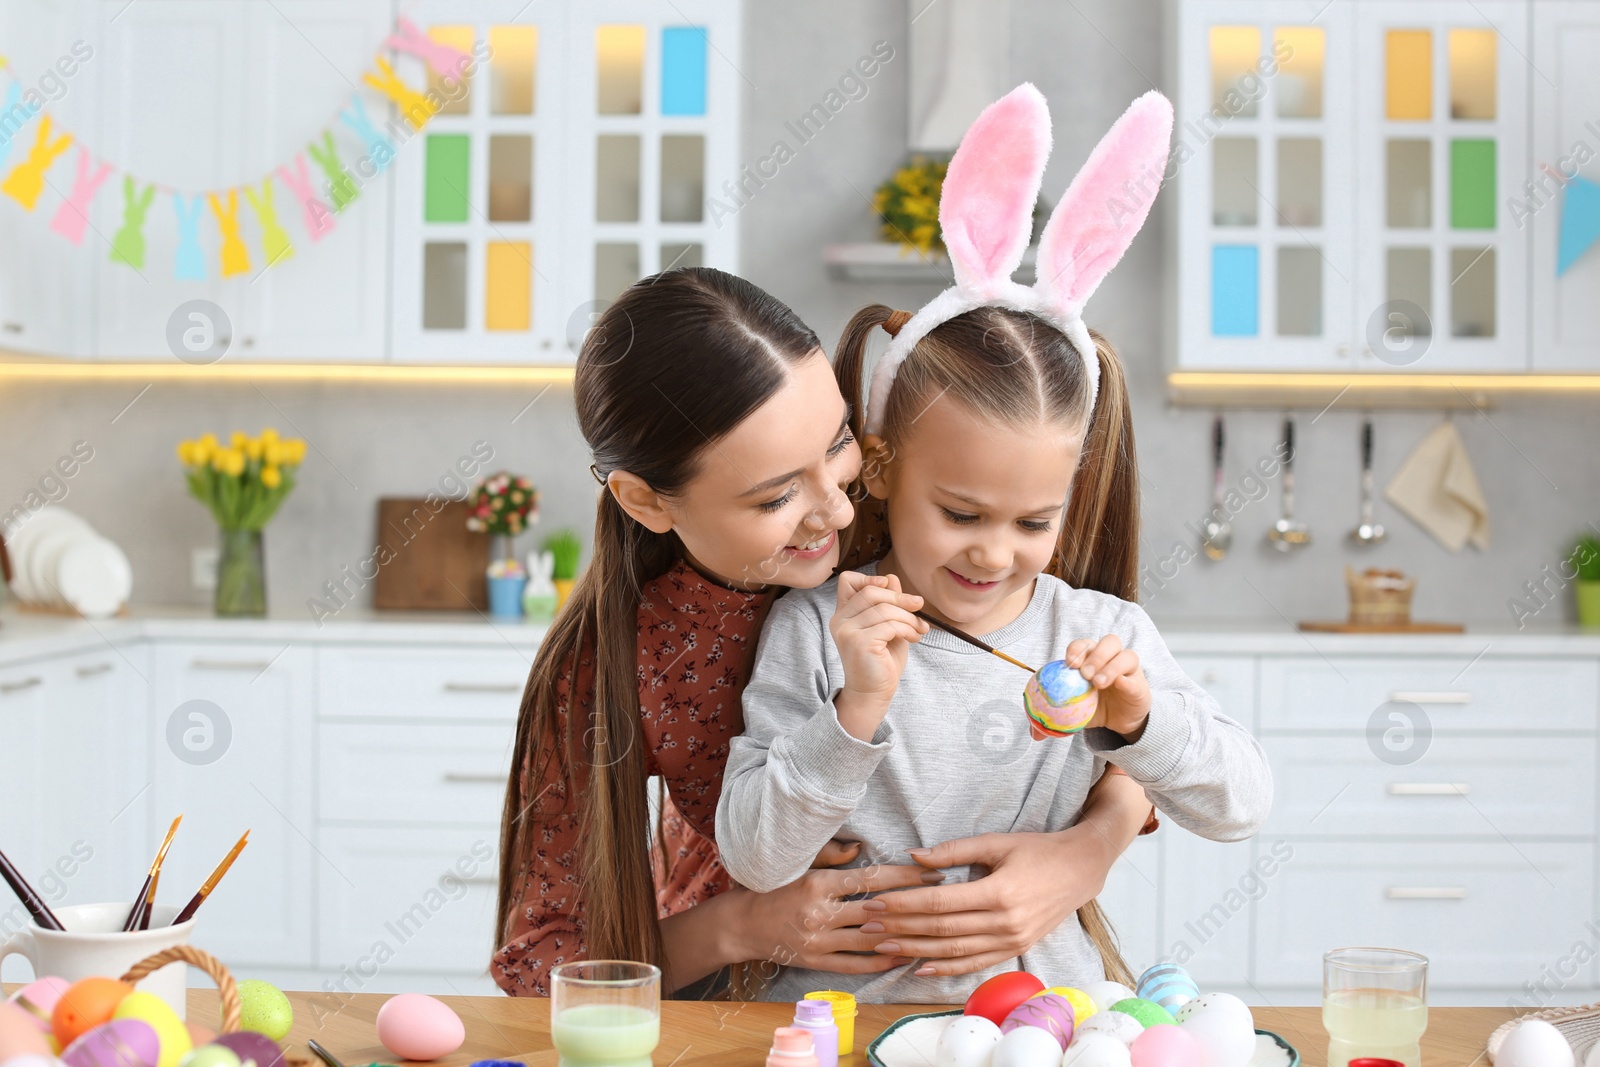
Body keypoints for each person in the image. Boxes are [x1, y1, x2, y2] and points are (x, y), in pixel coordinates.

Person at [715, 86, 1274, 1002]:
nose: (995, 553)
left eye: (1033, 522)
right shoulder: (821, 631)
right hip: (838, 1030)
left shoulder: (1100, 633)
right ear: (885, 469)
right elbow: (755, 854)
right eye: (963, 514)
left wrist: (1136, 720)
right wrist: (855, 709)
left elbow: (1241, 803)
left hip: (1038, 1030)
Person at [492, 266, 1156, 997]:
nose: (837, 513)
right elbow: (539, 961)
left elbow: (1114, 711)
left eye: (839, 443)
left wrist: (1089, 851)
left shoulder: (919, 515)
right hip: (739, 1011)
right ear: (646, 500)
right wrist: (741, 926)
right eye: (776, 494)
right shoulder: (619, 660)